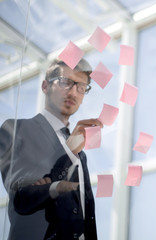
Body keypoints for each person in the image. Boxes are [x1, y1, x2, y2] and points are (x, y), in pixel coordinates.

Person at [0, 58, 103, 239]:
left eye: (81, 87)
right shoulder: (17, 130)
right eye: (65, 82)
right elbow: (20, 198)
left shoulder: (80, 154)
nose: (73, 92)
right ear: (45, 86)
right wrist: (67, 154)